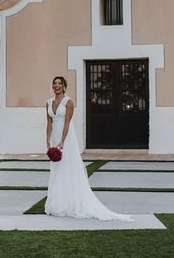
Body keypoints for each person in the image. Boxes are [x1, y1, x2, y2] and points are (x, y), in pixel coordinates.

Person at [45, 76, 132, 221]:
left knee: (67, 168)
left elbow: (67, 123)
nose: (57, 86)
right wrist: (48, 140)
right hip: (54, 137)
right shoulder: (48, 102)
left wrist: (62, 141)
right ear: (52, 86)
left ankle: (70, 204)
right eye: (55, 83)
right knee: (56, 170)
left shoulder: (69, 102)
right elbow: (49, 123)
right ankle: (57, 203)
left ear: (64, 86)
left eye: (60, 83)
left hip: (66, 138)